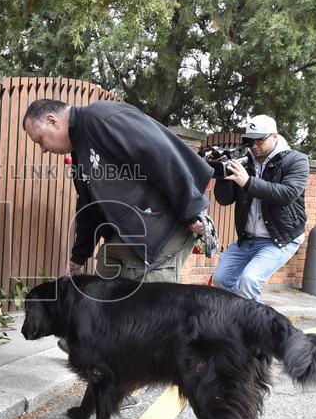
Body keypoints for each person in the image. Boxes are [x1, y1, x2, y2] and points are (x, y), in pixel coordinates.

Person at [22, 99, 213, 284]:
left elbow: (162, 156)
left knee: (150, 311)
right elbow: (89, 207)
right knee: (104, 306)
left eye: (40, 140)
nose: (43, 150)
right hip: (122, 241)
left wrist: (191, 211)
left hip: (160, 235)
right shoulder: (79, 151)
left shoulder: (102, 118)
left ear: (52, 121)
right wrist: (78, 257)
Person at [210, 114, 309, 302]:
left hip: (280, 238)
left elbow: (287, 194)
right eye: (249, 141)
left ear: (275, 136)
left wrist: (247, 182)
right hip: (248, 238)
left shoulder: (296, 160)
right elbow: (224, 200)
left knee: (250, 280)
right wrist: (223, 175)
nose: (254, 146)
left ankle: (254, 326)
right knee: (221, 280)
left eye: (259, 141)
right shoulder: (245, 161)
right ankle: (251, 315)